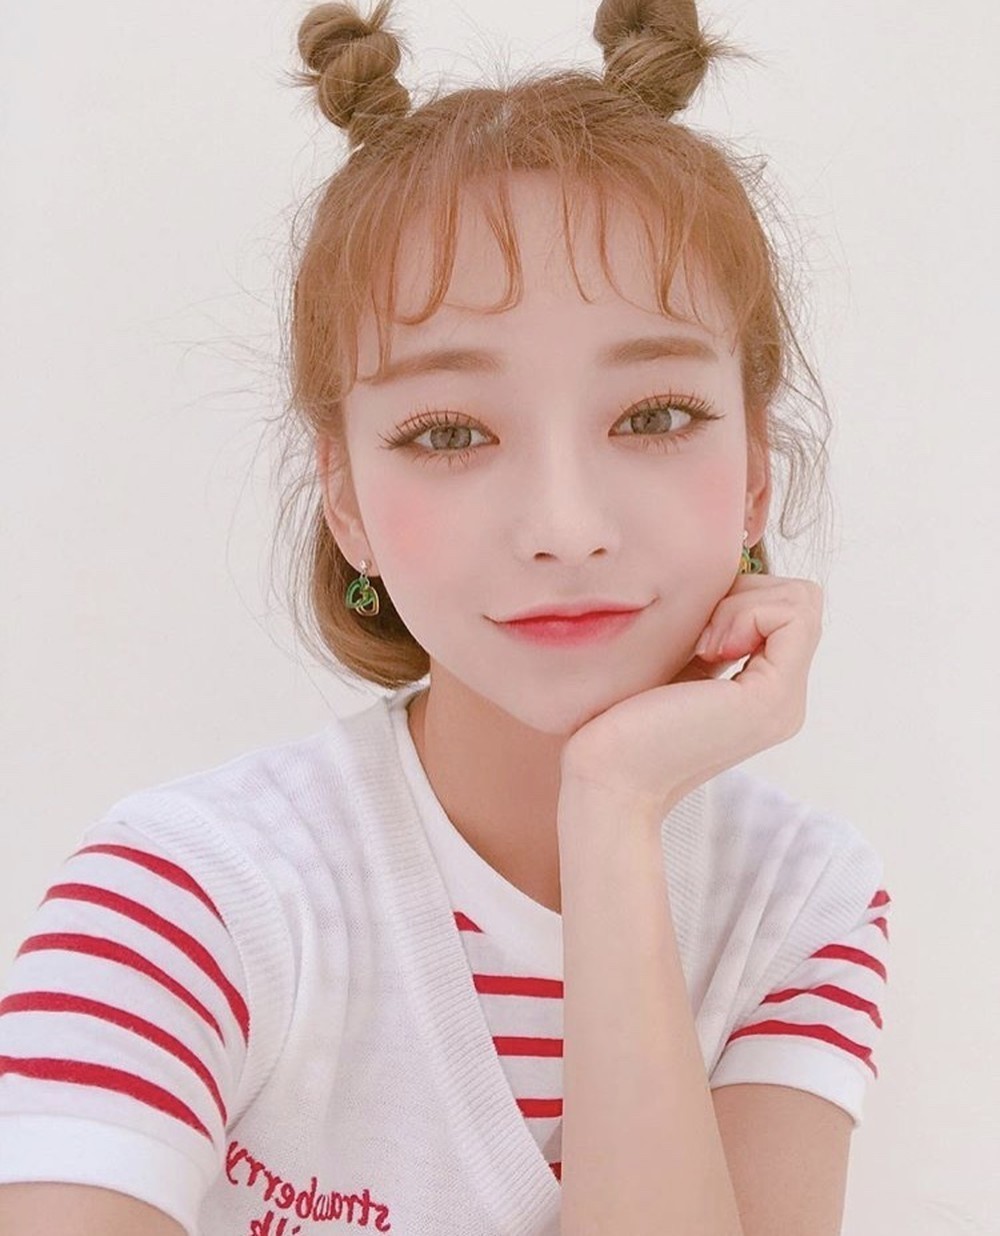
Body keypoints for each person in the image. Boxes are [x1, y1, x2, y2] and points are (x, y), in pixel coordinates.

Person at [0, 1, 892, 1233]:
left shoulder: (796, 899)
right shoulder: (186, 894)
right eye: (449, 433)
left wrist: (613, 809)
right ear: (347, 503)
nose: (564, 526)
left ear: (752, 476)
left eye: (653, 416)